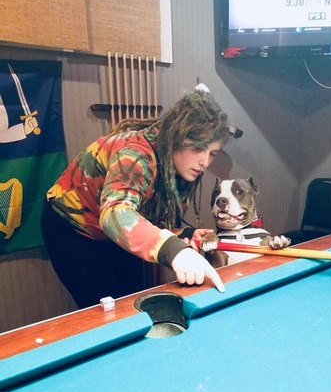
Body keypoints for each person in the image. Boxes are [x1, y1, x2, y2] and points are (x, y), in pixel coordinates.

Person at [41, 88, 233, 309]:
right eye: (199, 148)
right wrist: (174, 251)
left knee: (132, 302)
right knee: (105, 309)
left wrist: (183, 234)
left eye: (212, 153)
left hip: (113, 225)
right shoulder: (134, 153)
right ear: (176, 136)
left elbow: (145, 213)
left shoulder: (182, 164)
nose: (205, 162)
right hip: (73, 228)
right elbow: (115, 213)